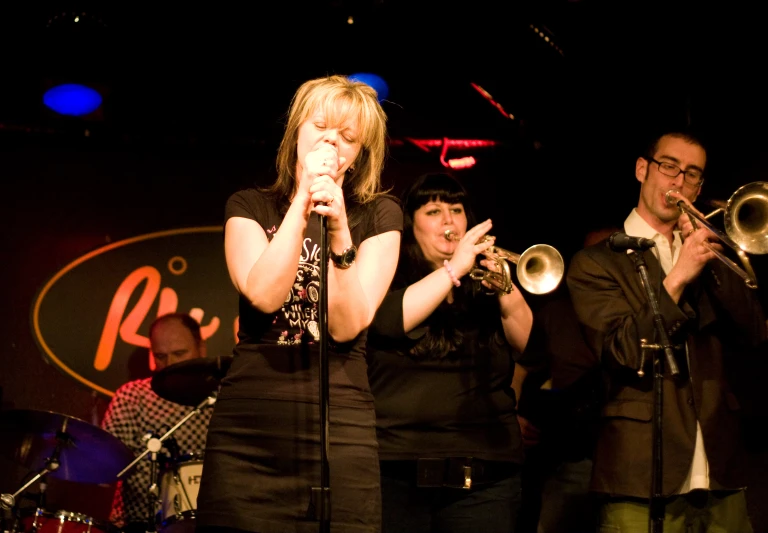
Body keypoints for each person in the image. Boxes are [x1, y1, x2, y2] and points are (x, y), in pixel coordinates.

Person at [194, 75, 402, 533]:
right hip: (249, 427)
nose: (333, 140)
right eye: (322, 125)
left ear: (359, 153)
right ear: (296, 133)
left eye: (349, 137)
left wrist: (342, 231)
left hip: (338, 428)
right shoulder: (249, 207)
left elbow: (346, 327)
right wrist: (303, 201)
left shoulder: (379, 216)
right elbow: (263, 294)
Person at [566, 128, 768, 531]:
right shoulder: (597, 262)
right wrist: (677, 277)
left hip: (720, 469)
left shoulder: (710, 254)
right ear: (643, 169)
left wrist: (711, 262)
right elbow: (622, 351)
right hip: (640, 473)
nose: (679, 182)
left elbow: (754, 333)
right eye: (669, 167)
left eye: (692, 174)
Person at [366, 172, 534, 533]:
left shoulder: (485, 288)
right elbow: (390, 323)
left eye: (456, 209)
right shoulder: (388, 277)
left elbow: (529, 347)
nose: (448, 221)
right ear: (411, 224)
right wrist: (455, 268)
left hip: (486, 479)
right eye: (433, 211)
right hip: (397, 476)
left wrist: (505, 287)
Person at [514, 225, 620, 533]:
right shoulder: (556, 309)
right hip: (571, 452)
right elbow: (522, 367)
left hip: (625, 450)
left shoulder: (637, 308)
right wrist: (514, 417)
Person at [101, 312, 210, 533]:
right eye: (161, 356)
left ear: (202, 348)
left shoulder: (219, 400)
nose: (169, 364)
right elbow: (103, 465)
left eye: (180, 353)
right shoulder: (132, 397)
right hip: (136, 525)